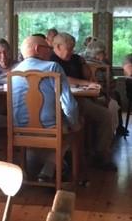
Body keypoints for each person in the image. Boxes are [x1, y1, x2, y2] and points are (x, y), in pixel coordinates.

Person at [12, 35, 81, 181]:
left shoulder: (14, 72)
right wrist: (74, 124)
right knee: (74, 125)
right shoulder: (52, 67)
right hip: (49, 128)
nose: (50, 52)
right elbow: (69, 104)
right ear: (37, 49)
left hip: (19, 128)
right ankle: (50, 169)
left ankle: (31, 169)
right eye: (47, 48)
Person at [50, 33, 117, 171]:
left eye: (73, 48)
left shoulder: (75, 58)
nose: (72, 52)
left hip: (80, 99)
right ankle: (70, 155)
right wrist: (85, 82)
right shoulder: (50, 61)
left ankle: (100, 153)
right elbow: (63, 79)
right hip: (59, 103)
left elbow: (89, 77)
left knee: (106, 114)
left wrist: (84, 64)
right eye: (69, 48)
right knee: (102, 115)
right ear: (57, 47)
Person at [84, 39, 127, 136]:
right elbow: (110, 83)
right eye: (104, 52)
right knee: (116, 95)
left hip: (84, 94)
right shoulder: (103, 65)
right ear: (98, 54)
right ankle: (118, 127)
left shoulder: (81, 62)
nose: (106, 54)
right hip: (101, 93)